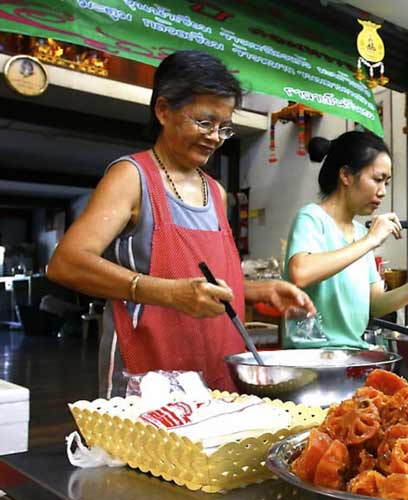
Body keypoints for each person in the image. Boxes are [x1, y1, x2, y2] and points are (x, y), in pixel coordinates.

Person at [47, 51, 315, 397]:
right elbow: (65, 263)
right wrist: (170, 294)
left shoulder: (216, 192)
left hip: (211, 374)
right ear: (163, 110)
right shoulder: (132, 177)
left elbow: (203, 280)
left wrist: (257, 290)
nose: (216, 137)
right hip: (145, 377)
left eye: (224, 127)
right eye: (204, 122)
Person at [284, 131, 408, 349]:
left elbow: (376, 304)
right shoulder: (312, 218)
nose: (382, 192)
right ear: (346, 175)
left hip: (351, 357)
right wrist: (370, 241)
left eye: (386, 183)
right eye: (377, 180)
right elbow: (301, 273)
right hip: (311, 360)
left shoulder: (360, 233)